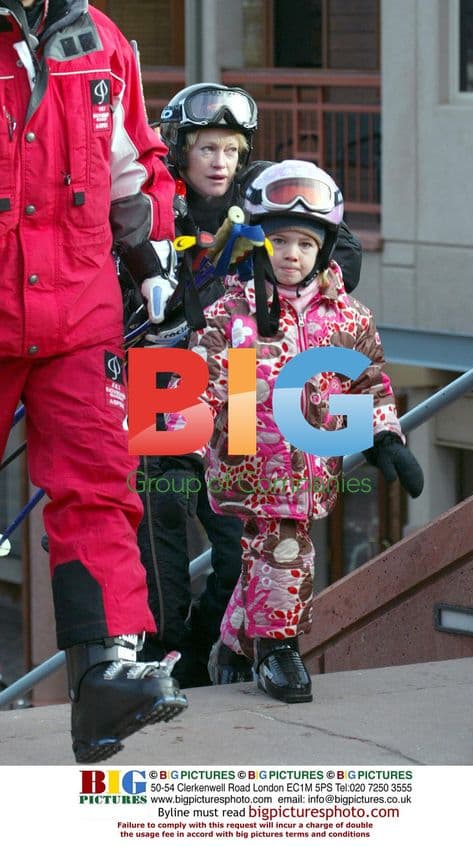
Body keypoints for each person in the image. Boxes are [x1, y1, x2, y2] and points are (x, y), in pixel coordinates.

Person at [0, 0, 187, 763]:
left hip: (80, 306)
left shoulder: (102, 39)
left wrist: (152, 266)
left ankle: (104, 679)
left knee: (100, 483)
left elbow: (131, 164)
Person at [135, 84, 365, 688]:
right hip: (162, 378)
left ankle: (206, 650)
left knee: (240, 537)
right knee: (159, 527)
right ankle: (165, 653)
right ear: (181, 150)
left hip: (240, 382)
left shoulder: (265, 195)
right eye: (207, 147)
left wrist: (282, 267)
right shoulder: (154, 201)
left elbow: (341, 246)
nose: (219, 162)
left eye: (232, 150)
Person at [182, 159, 424, 703]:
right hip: (248, 453)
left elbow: (366, 382)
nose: (291, 254)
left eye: (305, 244)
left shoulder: (347, 319)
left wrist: (383, 436)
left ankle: (232, 641)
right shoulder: (232, 315)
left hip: (312, 461)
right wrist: (182, 440)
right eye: (280, 240)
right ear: (256, 243)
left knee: (261, 552)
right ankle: (277, 651)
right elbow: (202, 384)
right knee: (284, 548)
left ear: (325, 251)